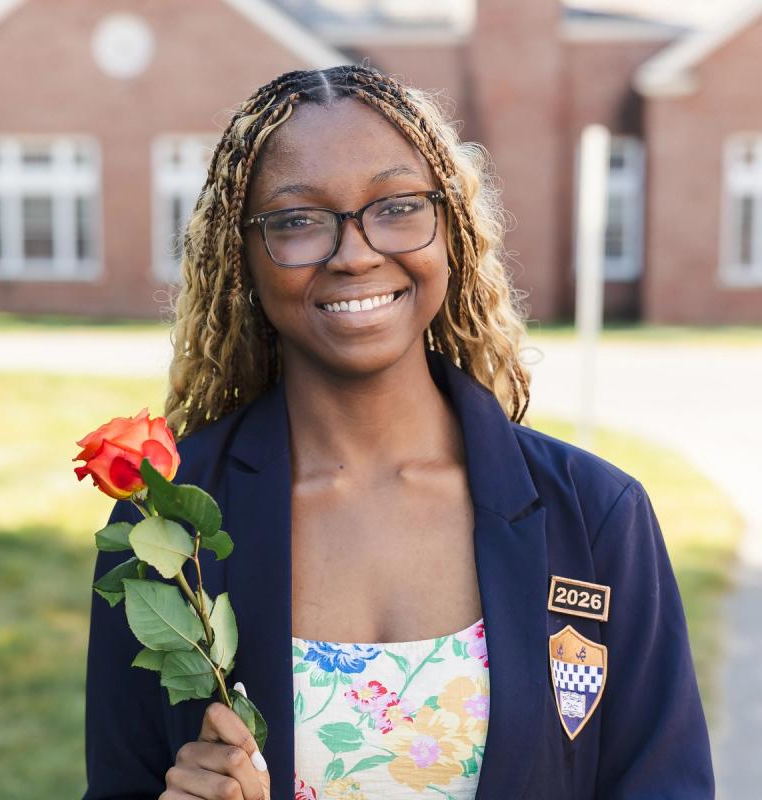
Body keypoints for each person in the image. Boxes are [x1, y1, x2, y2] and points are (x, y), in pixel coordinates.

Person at [83, 65, 714, 800]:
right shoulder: (166, 525)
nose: (355, 252)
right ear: (241, 257)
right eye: (296, 220)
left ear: (450, 229)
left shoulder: (597, 516)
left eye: (397, 206)